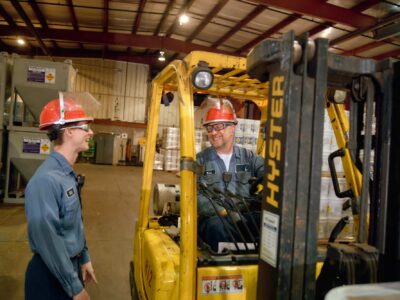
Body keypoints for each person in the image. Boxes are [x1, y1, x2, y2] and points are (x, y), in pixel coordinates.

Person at [24, 95, 97, 300]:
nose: (90, 132)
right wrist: (75, 288)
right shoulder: (46, 181)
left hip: (68, 266)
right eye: (85, 127)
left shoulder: (67, 175)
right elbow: (48, 239)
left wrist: (84, 257)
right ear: (69, 131)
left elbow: (73, 223)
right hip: (49, 277)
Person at [196, 98, 264, 252]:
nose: (213, 133)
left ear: (233, 127)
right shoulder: (200, 160)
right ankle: (225, 268)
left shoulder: (249, 157)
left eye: (219, 127)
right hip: (216, 218)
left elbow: (269, 172)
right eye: (210, 128)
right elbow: (195, 194)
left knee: (268, 224)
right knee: (217, 228)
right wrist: (222, 210)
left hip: (245, 216)